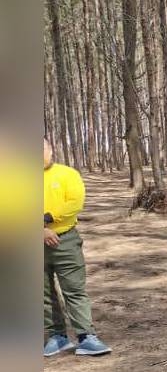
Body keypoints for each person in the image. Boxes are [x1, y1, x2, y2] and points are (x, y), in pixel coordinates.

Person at [43, 136, 111, 357]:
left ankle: (86, 336)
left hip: (65, 240)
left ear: (50, 149)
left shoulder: (67, 174)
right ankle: (57, 336)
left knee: (74, 289)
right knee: (43, 293)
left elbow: (75, 202)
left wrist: (48, 218)